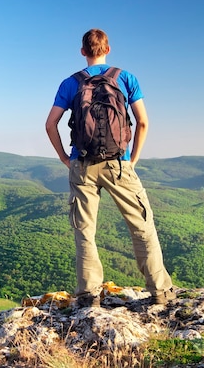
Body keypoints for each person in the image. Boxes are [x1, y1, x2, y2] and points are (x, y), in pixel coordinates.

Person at [45, 28, 175, 306]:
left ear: (83, 52)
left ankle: (89, 295)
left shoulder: (71, 83)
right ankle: (160, 291)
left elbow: (50, 124)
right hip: (119, 163)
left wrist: (64, 158)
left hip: (82, 164)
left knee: (84, 229)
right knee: (141, 224)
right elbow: (142, 122)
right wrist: (133, 158)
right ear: (108, 49)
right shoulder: (125, 78)